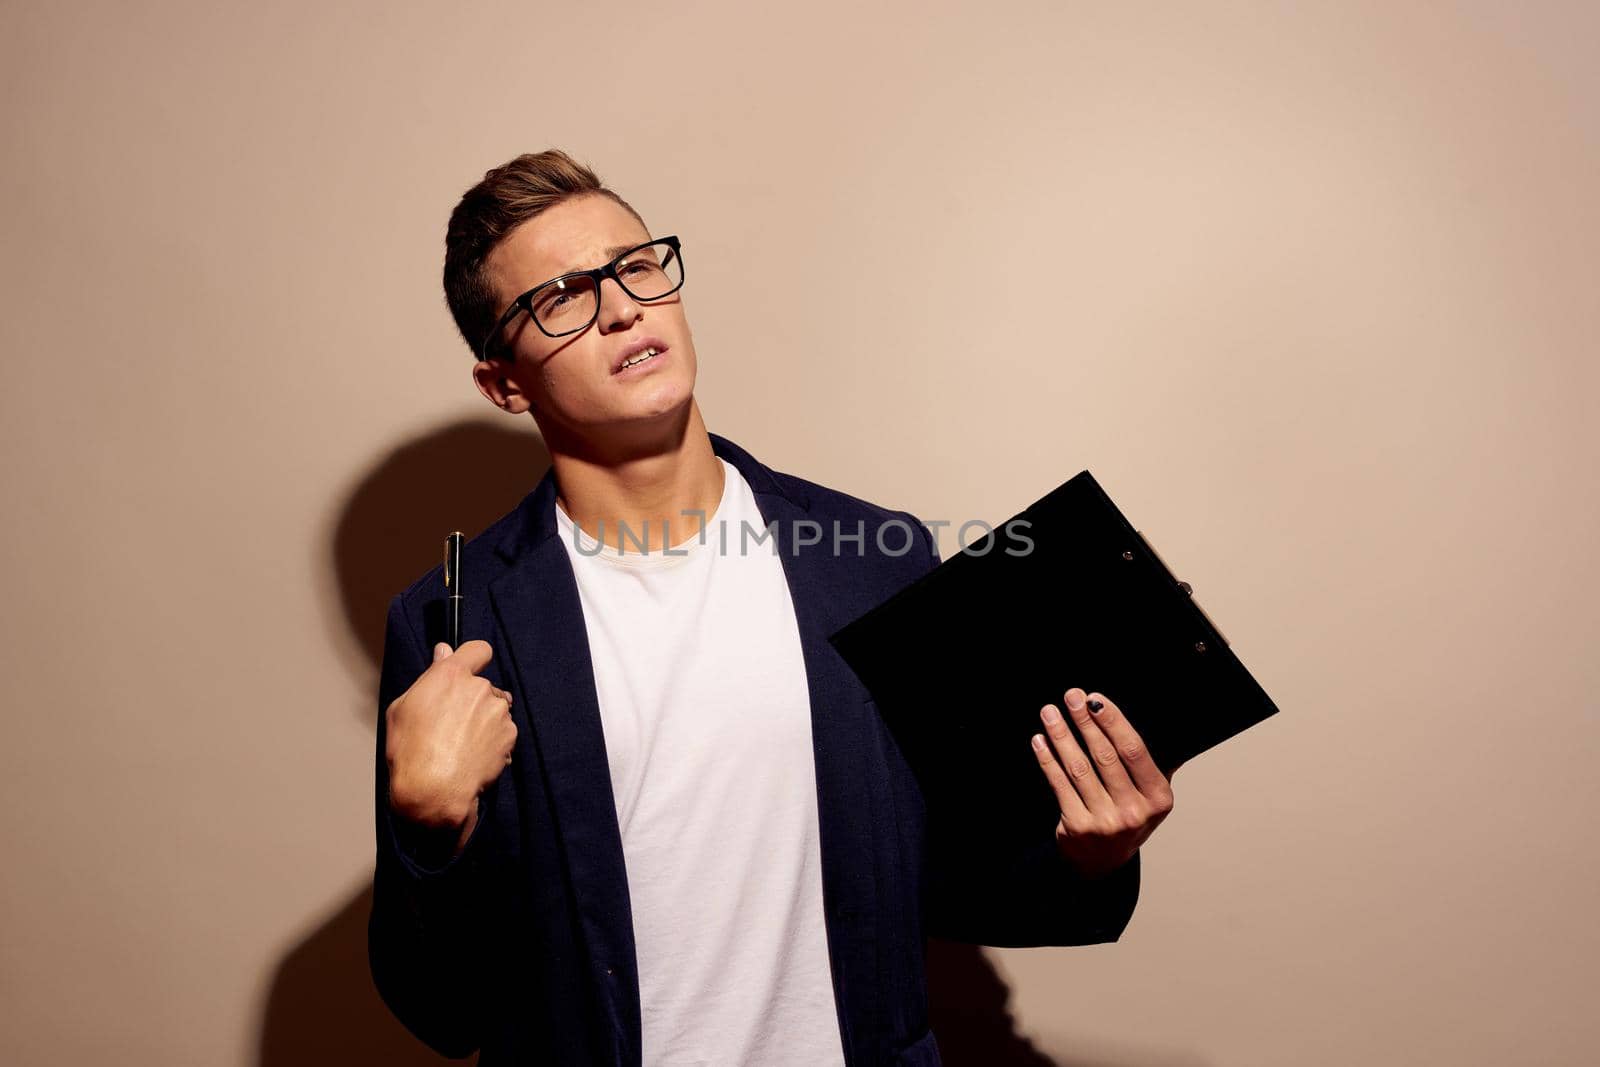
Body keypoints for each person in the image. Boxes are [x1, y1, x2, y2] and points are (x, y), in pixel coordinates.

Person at [367, 150, 1175, 1066]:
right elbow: (445, 1011)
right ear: (505, 382)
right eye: (563, 297)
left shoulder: (876, 557)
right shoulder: (454, 622)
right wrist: (428, 828)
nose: (624, 306)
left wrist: (1088, 852)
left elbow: (952, 879)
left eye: (635, 266)